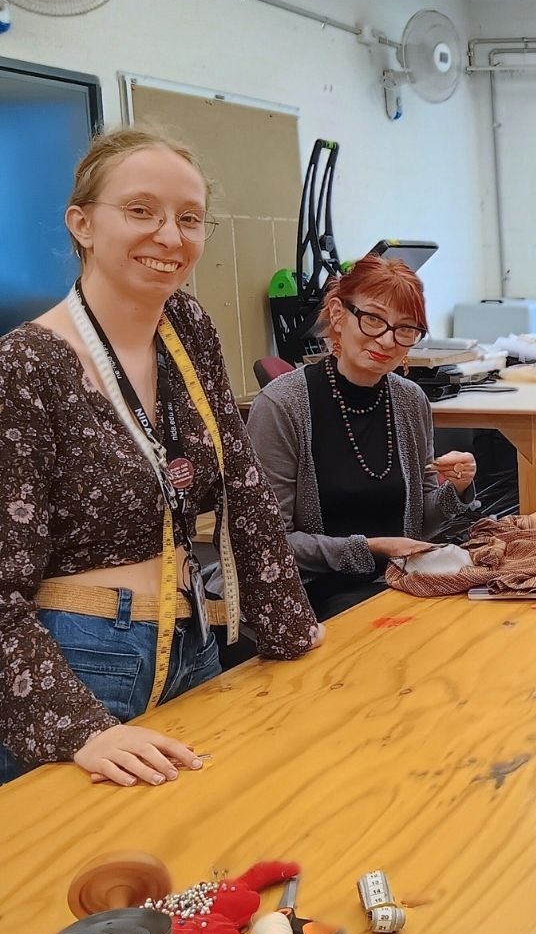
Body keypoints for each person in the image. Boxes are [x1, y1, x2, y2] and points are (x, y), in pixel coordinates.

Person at [0, 127, 323, 787]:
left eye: (189, 218)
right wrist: (78, 729)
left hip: (190, 640)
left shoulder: (185, 326)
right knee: (89, 876)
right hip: (79, 665)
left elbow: (242, 479)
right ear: (82, 223)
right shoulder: (24, 368)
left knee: (205, 856)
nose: (170, 238)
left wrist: (290, 628)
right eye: (140, 211)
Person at [247, 256, 479, 619]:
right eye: (373, 319)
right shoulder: (282, 405)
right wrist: (370, 549)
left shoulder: (409, 400)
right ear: (339, 315)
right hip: (316, 596)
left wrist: (459, 488)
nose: (387, 340)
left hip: (401, 584)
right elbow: (268, 542)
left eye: (405, 329)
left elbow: (420, 524)